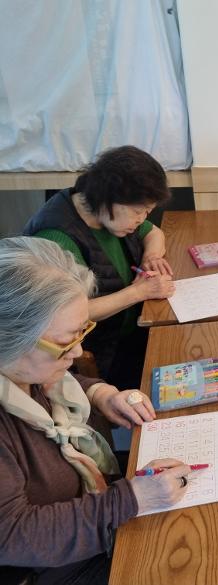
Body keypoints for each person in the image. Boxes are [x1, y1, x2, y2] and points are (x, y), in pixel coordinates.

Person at [0, 237, 191, 585]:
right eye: (66, 342)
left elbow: (57, 381)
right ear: (9, 340)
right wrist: (130, 499)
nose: (78, 352)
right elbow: (11, 536)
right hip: (56, 566)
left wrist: (102, 394)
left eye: (82, 332)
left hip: (96, 509)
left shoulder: (24, 370)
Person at [24, 145, 175, 389]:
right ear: (109, 198)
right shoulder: (56, 238)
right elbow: (67, 313)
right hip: (99, 353)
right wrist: (139, 292)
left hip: (132, 330)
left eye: (147, 212)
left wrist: (152, 256)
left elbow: (154, 233)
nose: (142, 219)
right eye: (139, 211)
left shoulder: (107, 213)